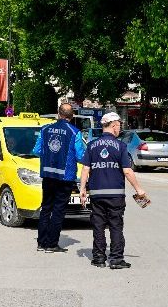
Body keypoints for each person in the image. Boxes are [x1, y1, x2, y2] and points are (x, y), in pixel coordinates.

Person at [79, 112, 146, 269]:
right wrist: (139, 189)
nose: (120, 129)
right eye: (119, 126)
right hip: (115, 194)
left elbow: (85, 169)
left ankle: (98, 258)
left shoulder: (91, 146)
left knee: (98, 226)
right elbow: (127, 171)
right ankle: (116, 259)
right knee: (116, 226)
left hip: (96, 194)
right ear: (114, 126)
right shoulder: (121, 146)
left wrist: (82, 189)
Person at [33, 103, 87, 253]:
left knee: (46, 208)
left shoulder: (45, 129)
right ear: (72, 116)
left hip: (48, 175)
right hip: (65, 176)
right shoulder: (74, 132)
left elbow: (37, 150)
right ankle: (51, 244)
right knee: (58, 210)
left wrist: (50, 156)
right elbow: (80, 156)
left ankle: (41, 243)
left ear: (58, 114)